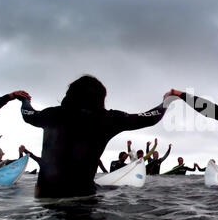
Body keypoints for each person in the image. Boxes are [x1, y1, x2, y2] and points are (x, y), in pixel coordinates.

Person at [19, 75, 167, 198]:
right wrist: (167, 101)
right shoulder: (108, 119)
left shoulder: (50, 114)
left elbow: (28, 113)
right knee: (119, 190)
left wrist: (25, 100)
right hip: (82, 195)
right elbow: (150, 118)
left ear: (69, 95)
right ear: (100, 98)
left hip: (44, 194)